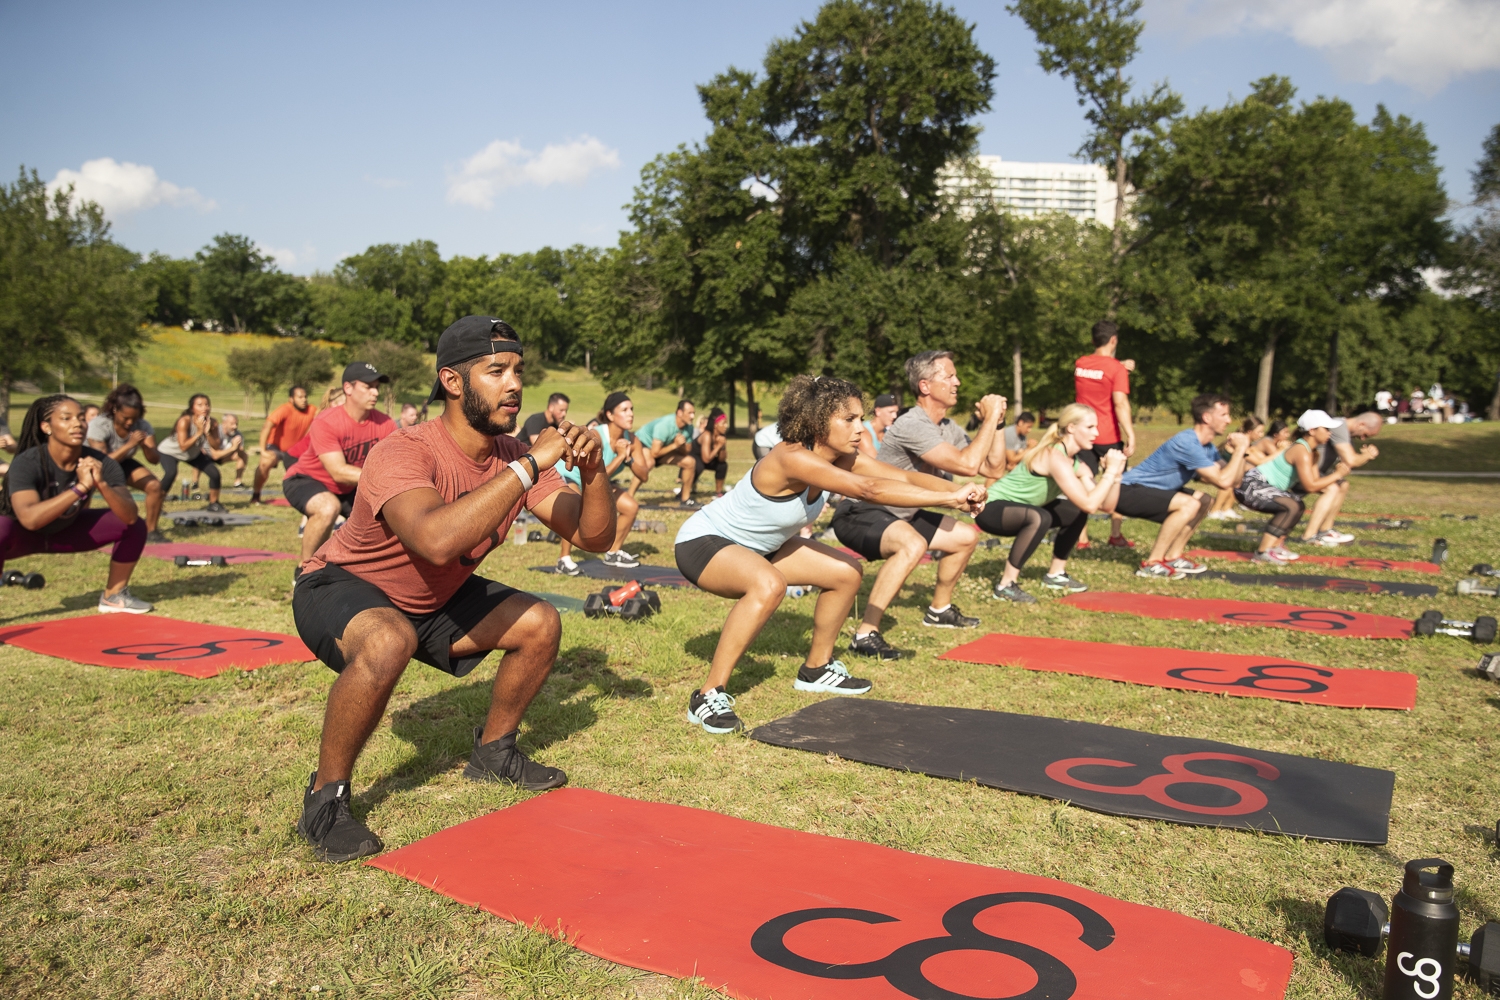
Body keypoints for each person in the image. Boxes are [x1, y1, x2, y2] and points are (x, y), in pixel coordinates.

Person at [291, 316, 615, 862]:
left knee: (540, 622)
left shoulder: (512, 455)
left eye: (518, 370)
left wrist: (596, 469)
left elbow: (594, 537)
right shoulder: (405, 450)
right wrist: (534, 462)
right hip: (340, 586)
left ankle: (493, 753)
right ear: (453, 381)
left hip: (430, 600)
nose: (514, 384)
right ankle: (325, 801)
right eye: (496, 371)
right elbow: (435, 541)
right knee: (389, 640)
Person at [676, 375, 985, 734]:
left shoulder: (842, 458)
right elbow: (869, 489)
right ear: (817, 421)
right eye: (849, 419)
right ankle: (708, 695)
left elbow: (900, 478)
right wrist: (948, 500)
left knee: (846, 573)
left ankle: (816, 669)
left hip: (762, 546)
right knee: (769, 584)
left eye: (860, 418)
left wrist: (961, 490)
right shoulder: (791, 457)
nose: (860, 427)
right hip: (705, 542)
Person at [830, 350, 1006, 658]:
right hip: (863, 511)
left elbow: (993, 468)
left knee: (965, 537)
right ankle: (865, 634)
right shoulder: (913, 423)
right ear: (925, 386)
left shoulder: (948, 427)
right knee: (912, 544)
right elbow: (966, 465)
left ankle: (940, 610)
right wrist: (988, 417)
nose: (958, 382)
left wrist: (998, 425)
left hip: (903, 513)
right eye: (949, 376)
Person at [1, 395, 151, 613]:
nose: (77, 424)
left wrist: (101, 483)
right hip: (20, 535)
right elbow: (30, 520)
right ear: (46, 427)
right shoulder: (27, 462)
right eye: (66, 418)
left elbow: (129, 515)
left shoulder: (102, 462)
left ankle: (114, 596)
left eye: (81, 418)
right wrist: (80, 487)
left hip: (65, 532)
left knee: (134, 525)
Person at [976, 403, 1126, 601]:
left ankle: (1056, 574)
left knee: (1076, 510)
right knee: (1040, 517)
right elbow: (1091, 503)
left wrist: (1115, 476)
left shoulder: (1077, 464)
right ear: (1071, 428)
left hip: (1023, 510)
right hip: (990, 508)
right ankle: (1006, 585)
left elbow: (1105, 506)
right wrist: (1108, 473)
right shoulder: (1054, 455)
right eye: (1090, 427)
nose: (1096, 433)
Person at [1111, 393, 1250, 580]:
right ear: (1207, 418)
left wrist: (1241, 453)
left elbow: (1234, 481)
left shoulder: (1206, 446)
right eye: (1224, 415)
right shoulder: (1187, 442)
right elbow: (1223, 481)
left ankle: (1172, 556)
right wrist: (1240, 449)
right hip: (1126, 491)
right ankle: (1151, 564)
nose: (1229, 420)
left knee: (1204, 500)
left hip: (1151, 490)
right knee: (1189, 504)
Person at [282, 363, 396, 570]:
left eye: (377, 387)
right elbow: (338, 471)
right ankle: (305, 569)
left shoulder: (385, 424)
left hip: (350, 487)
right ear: (348, 388)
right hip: (306, 479)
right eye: (368, 386)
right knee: (328, 508)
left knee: (386, 520)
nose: (375, 392)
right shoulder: (327, 421)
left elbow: (392, 464)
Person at [1234, 413, 1350, 565]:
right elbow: (1310, 485)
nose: (1330, 433)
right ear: (1312, 430)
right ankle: (1262, 553)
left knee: (1298, 504)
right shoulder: (1301, 450)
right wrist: (1337, 475)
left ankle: (1275, 546)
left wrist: (1336, 480)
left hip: (1260, 486)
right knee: (1291, 505)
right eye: (1326, 429)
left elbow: (1316, 482)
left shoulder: (1312, 452)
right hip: (1249, 486)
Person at [556, 390, 641, 575]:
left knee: (631, 507)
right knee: (576, 506)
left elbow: (643, 475)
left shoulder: (632, 439)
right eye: (625, 409)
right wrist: (619, 457)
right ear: (610, 415)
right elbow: (595, 472)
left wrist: (629, 458)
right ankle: (563, 559)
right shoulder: (597, 435)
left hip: (598, 480)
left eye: (632, 409)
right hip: (572, 474)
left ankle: (613, 552)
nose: (631, 413)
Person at [1073, 321, 1135, 549]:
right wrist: (1130, 433)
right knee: (1116, 484)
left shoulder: (1080, 364)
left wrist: (1119, 365)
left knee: (1082, 484)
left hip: (1083, 434)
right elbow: (1120, 403)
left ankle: (1081, 539)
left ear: (1093, 341)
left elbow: (1097, 368)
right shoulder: (1115, 369)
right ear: (1114, 340)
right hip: (1109, 435)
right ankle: (1115, 535)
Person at [86, 384, 167, 543]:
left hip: (122, 462)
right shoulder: (99, 425)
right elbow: (103, 462)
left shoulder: (143, 426)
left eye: (134, 418)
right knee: (83, 493)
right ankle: (80, 529)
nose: (130, 422)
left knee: (154, 486)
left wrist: (145, 446)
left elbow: (155, 460)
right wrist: (130, 445)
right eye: (126, 418)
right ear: (115, 410)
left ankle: (151, 531)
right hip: (95, 464)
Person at [1298, 410, 1381, 547]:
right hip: (1302, 472)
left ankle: (1326, 530)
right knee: (1332, 488)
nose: (1363, 439)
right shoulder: (1339, 427)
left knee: (1343, 485)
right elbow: (1351, 460)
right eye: (1365, 434)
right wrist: (1368, 456)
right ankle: (1309, 536)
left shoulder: (1344, 433)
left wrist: (1362, 458)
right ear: (1361, 424)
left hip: (1315, 471)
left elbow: (1347, 465)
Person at [157, 394, 225, 510]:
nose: (205, 408)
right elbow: (183, 446)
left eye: (207, 404)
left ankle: (214, 504)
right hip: (170, 452)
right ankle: (157, 505)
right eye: (200, 405)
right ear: (192, 408)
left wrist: (207, 433)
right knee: (171, 473)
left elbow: (216, 446)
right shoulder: (185, 421)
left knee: (214, 473)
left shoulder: (212, 422)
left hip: (192, 454)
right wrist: (199, 432)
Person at [253, 386, 318, 504]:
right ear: (291, 399)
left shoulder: (312, 410)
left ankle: (301, 499)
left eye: (305, 397)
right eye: (300, 397)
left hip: (296, 451)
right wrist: (263, 450)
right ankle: (255, 496)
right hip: (276, 447)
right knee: (265, 463)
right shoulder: (285, 409)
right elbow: (267, 426)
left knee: (307, 472)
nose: (304, 400)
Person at [633, 400, 703, 505]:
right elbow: (654, 453)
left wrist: (681, 445)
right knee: (649, 463)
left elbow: (687, 451)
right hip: (643, 444)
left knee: (690, 462)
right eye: (689, 413)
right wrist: (675, 445)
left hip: (663, 449)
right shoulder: (665, 425)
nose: (692, 416)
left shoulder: (689, 428)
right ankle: (629, 496)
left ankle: (685, 499)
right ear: (679, 413)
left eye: (694, 413)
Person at [1206, 416, 1266, 521]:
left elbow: (1260, 459)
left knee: (1240, 479)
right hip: (1215, 468)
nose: (1261, 435)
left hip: (1228, 470)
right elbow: (1259, 461)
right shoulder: (1240, 441)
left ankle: (1226, 509)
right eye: (1259, 432)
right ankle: (1214, 511)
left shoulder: (1246, 442)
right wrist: (1282, 451)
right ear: (1250, 431)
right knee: (1230, 481)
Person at [200, 412, 248, 489]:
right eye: (232, 424)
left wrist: (238, 448)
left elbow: (240, 453)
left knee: (244, 455)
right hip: (209, 456)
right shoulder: (216, 431)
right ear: (224, 423)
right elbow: (215, 456)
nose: (235, 427)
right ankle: (195, 483)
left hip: (224, 456)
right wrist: (233, 448)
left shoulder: (238, 434)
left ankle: (237, 482)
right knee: (198, 455)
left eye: (236, 424)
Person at [697, 407, 730, 496]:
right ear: (715, 424)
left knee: (723, 465)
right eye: (723, 423)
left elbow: (721, 460)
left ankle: (718, 492)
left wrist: (722, 447)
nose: (726, 426)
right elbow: (706, 459)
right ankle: (688, 489)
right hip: (695, 458)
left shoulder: (721, 436)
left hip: (705, 459)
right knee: (697, 465)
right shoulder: (707, 435)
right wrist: (718, 446)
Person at [857, 393, 900, 459]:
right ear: (878, 411)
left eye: (896, 412)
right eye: (890, 412)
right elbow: (875, 462)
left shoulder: (888, 433)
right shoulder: (863, 432)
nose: (895, 416)